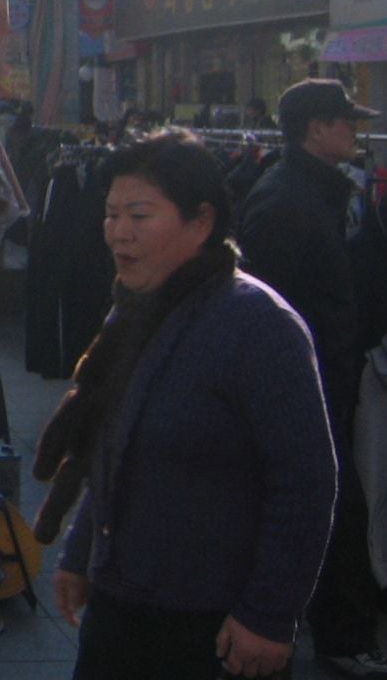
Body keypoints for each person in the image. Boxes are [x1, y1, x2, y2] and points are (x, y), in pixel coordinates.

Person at [38, 129, 336, 680]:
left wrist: (269, 614)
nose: (119, 232)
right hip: (120, 607)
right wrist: (81, 554)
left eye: (139, 215)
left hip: (215, 626)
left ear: (200, 222)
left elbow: (306, 481)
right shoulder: (130, 311)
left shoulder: (259, 325)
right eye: (111, 215)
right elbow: (109, 441)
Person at [237, 79, 387, 680]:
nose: (355, 132)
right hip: (304, 384)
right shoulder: (287, 201)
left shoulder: (313, 192)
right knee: (334, 508)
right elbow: (269, 307)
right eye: (346, 122)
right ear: (316, 129)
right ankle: (342, 634)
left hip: (323, 376)